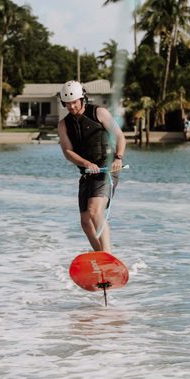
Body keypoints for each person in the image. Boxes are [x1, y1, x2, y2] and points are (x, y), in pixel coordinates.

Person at [57, 80, 126, 253]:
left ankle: (107, 254)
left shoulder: (99, 113)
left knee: (95, 210)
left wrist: (118, 158)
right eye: (67, 103)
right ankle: (99, 255)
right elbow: (67, 151)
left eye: (74, 102)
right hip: (87, 172)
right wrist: (86, 163)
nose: (71, 106)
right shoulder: (64, 125)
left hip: (107, 169)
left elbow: (120, 137)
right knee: (85, 221)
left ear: (82, 98)